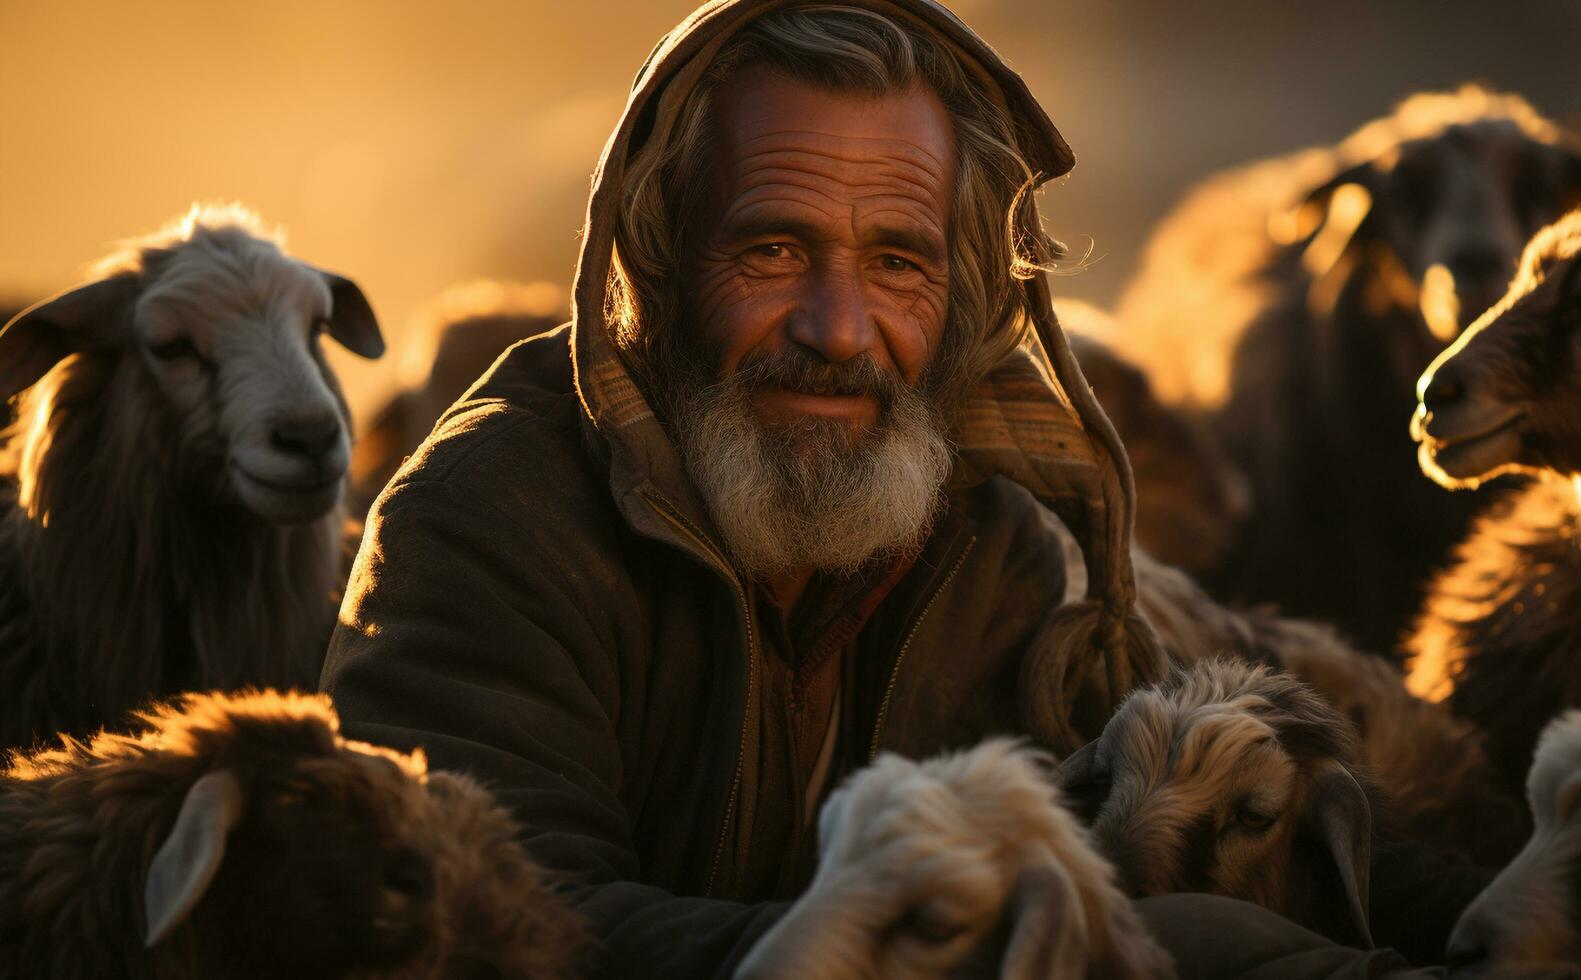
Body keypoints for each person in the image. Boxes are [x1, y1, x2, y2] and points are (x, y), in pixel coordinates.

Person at [322, 2, 1444, 976]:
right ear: (656, 265)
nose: (838, 329)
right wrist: (895, 945)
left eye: (898, 262)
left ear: (961, 294)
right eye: (770, 251)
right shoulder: (487, 521)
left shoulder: (990, 541)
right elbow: (490, 919)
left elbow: (1151, 864)